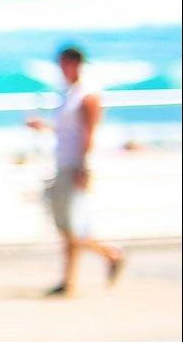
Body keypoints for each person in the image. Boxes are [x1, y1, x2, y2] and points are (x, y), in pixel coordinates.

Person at [32, 44, 127, 296]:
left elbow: (89, 134)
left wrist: (84, 167)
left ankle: (108, 255)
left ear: (74, 63)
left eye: (63, 63)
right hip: (63, 162)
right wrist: (45, 127)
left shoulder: (87, 95)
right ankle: (70, 278)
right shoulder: (68, 93)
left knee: (74, 227)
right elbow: (68, 132)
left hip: (75, 165)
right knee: (66, 227)